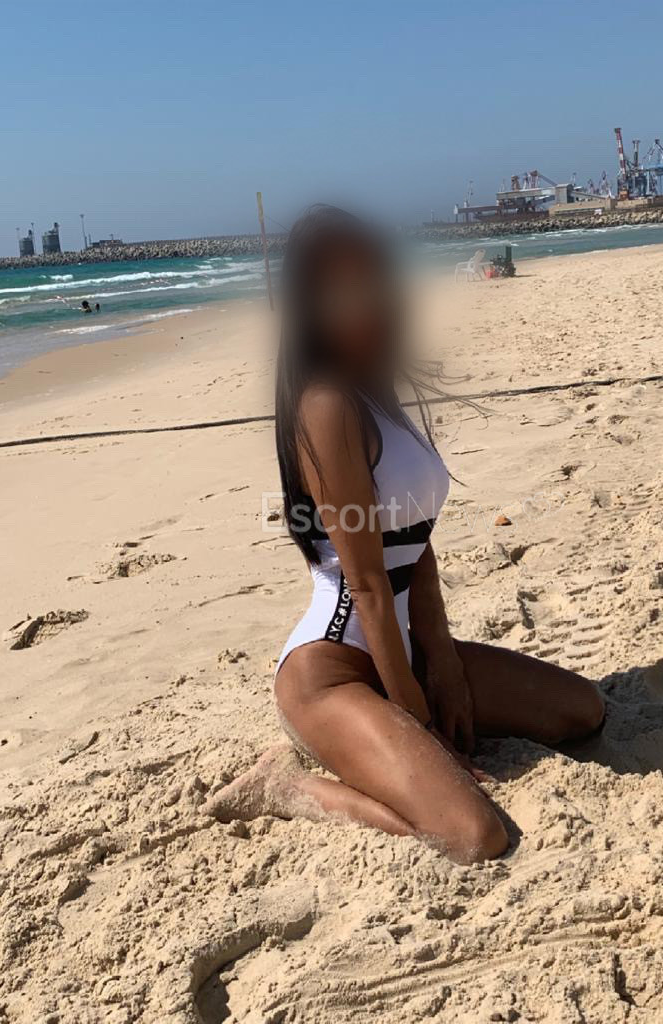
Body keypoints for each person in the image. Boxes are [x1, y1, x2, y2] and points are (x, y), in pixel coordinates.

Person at [206, 206, 605, 863]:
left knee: (581, 711)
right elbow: (366, 583)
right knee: (473, 835)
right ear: (311, 307)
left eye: (372, 282)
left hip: (405, 651)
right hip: (330, 675)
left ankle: (396, 731)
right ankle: (288, 786)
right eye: (342, 293)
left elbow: (416, 551)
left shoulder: (376, 393)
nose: (364, 304)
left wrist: (441, 662)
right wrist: (417, 718)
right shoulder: (326, 405)